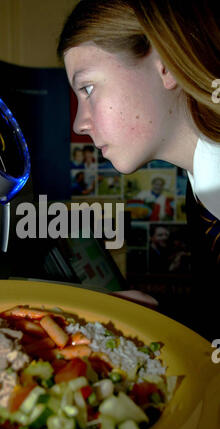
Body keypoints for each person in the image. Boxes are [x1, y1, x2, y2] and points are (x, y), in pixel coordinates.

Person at [57, 0, 220, 340]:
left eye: (88, 88)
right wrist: (164, 322)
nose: (79, 122)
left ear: (166, 66)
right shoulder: (200, 190)